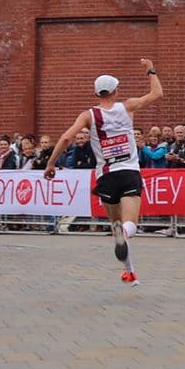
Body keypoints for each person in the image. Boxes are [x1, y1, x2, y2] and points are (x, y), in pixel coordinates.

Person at [44, 60, 163, 286]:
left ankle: (129, 272)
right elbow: (157, 93)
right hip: (129, 171)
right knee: (130, 226)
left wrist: (50, 164)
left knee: (116, 225)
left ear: (96, 93)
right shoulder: (127, 106)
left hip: (106, 176)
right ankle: (125, 236)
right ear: (116, 91)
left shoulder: (89, 115)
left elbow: (67, 137)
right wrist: (150, 69)